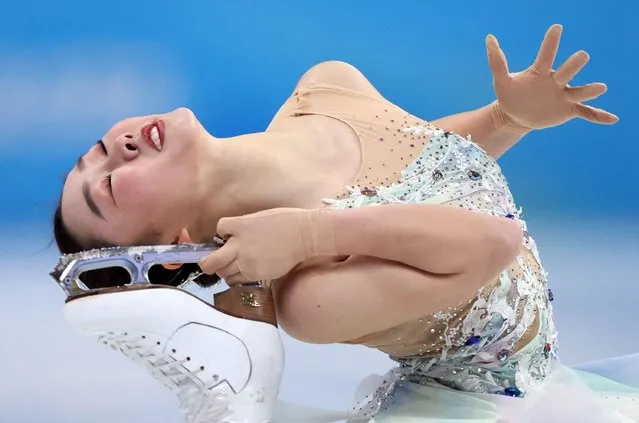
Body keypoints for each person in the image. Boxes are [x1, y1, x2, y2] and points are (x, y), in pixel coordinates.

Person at [53, 23, 638, 422]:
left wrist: (505, 119)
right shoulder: (314, 297)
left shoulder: (325, 89)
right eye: (105, 186)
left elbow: (429, 165)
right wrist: (311, 235)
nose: (113, 145)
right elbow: (491, 241)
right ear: (176, 244)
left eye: (94, 150)